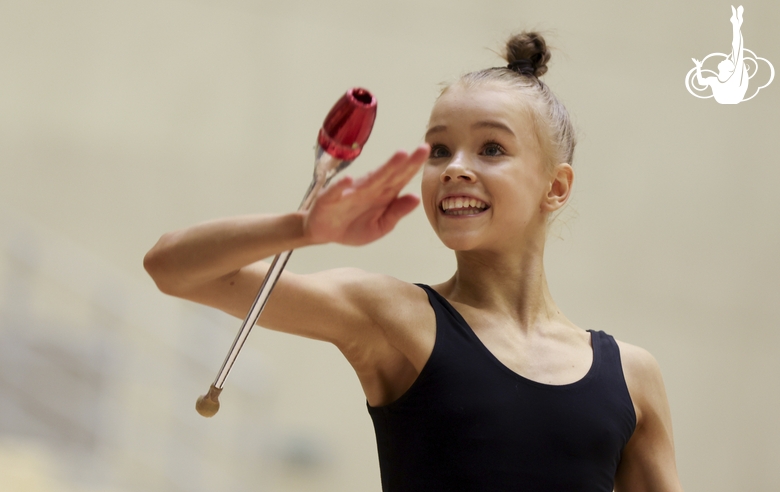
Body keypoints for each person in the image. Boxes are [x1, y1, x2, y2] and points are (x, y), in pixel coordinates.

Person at [144, 31, 684, 491]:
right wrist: (303, 228)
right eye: (439, 150)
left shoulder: (631, 377)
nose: (455, 169)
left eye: (491, 149)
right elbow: (171, 268)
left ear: (556, 186)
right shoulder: (394, 317)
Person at [692, 5, 748, 104]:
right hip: (731, 97)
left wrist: (698, 67)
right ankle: (736, 23)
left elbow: (737, 49)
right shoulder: (717, 80)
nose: (724, 59)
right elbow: (701, 82)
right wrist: (698, 67)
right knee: (737, 51)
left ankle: (736, 23)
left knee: (737, 51)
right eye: (728, 61)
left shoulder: (727, 78)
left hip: (732, 97)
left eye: (726, 61)